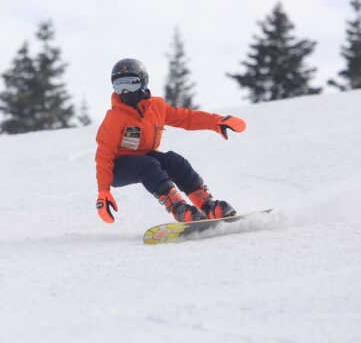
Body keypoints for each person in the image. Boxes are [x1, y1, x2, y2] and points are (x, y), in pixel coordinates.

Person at [95, 58, 247, 224]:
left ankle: (208, 205)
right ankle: (179, 209)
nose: (124, 91)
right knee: (147, 164)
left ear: (143, 82)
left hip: (146, 157)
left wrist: (216, 122)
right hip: (117, 168)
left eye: (131, 83)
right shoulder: (115, 118)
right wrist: (103, 191)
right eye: (118, 86)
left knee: (174, 161)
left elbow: (187, 118)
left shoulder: (157, 107)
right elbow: (104, 154)